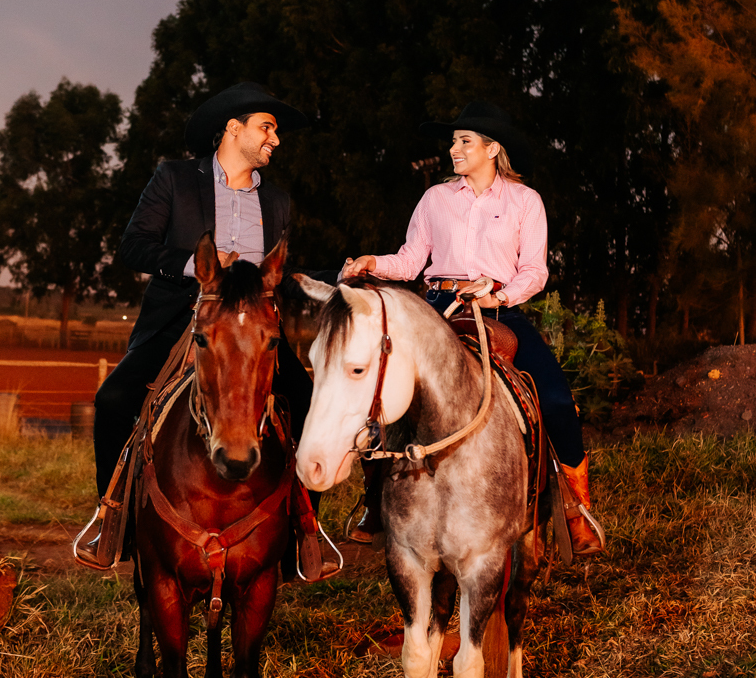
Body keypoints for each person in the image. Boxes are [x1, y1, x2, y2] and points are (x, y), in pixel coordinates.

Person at [342, 100, 605, 557]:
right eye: (453, 141)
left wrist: (498, 297)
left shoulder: (525, 201)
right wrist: (372, 263)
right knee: (385, 389)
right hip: (437, 306)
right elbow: (410, 260)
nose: (454, 149)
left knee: (557, 399)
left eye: (464, 141)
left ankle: (575, 507)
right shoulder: (436, 199)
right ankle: (375, 500)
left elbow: (534, 271)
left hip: (499, 309)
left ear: (492, 148)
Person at [90, 81, 328, 576]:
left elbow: (281, 273)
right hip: (184, 320)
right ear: (233, 128)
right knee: (112, 400)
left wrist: (338, 276)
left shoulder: (277, 201)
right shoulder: (175, 179)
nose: (275, 139)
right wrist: (194, 264)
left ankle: (302, 534)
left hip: (252, 332)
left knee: (309, 404)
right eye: (267, 127)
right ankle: (115, 522)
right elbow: (133, 246)